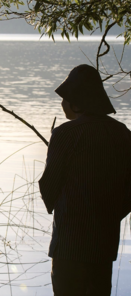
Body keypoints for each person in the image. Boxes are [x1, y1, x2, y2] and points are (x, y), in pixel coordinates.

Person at [38, 64, 131, 296]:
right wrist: (110, 214)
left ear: (77, 101)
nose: (62, 103)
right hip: (104, 244)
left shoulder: (65, 134)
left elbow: (48, 186)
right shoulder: (122, 133)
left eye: (66, 97)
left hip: (69, 245)